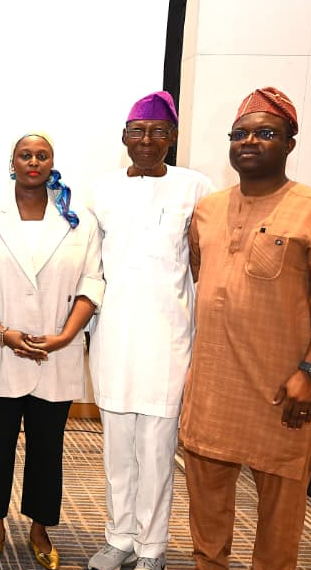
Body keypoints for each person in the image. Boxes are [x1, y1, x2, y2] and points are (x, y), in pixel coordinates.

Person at [180, 87, 311, 570]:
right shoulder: (208, 210)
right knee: (206, 506)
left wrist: (310, 373)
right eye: (240, 134)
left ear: (290, 143)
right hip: (213, 387)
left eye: (266, 134)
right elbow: (204, 278)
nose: (249, 142)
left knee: (280, 513)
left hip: (283, 387)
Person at [85, 91, 214, 570]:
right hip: (113, 335)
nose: (147, 140)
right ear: (124, 136)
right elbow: (90, 266)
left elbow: (202, 264)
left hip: (168, 339)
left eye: (158, 132)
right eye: (138, 131)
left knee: (157, 449)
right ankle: (119, 537)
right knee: (117, 448)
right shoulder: (101, 190)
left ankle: (152, 547)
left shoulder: (196, 188)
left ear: (172, 138)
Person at [0, 133, 104, 570]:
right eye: (25, 155)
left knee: (48, 450)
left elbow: (92, 281)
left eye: (42, 156)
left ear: (51, 163)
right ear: (13, 163)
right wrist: (1, 331)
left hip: (54, 352)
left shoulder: (79, 219)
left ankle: (40, 528)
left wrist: (65, 336)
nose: (33, 162)